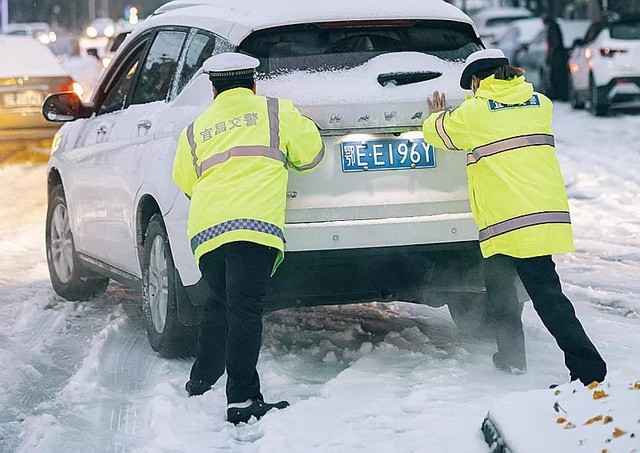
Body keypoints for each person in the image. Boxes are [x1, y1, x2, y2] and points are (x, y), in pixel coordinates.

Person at [422, 49, 607, 385]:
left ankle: (587, 370)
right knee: (524, 293)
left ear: (477, 81)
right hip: (541, 217)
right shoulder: (541, 104)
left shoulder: (474, 113)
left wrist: (435, 116)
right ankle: (518, 359)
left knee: (525, 298)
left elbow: (439, 134)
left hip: (507, 223)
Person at [172, 52, 325, 424]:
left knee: (219, 303)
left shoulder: (196, 128)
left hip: (207, 231)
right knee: (244, 308)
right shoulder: (275, 111)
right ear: (254, 84)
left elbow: (185, 180)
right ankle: (241, 399)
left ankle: (201, 379)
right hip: (254, 226)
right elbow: (312, 155)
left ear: (213, 90)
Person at [543, 15, 569, 101]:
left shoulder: (552, 29)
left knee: (557, 77)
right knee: (559, 77)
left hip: (557, 58)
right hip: (559, 57)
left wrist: (551, 56)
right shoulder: (555, 28)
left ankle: (560, 95)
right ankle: (561, 94)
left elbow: (554, 44)